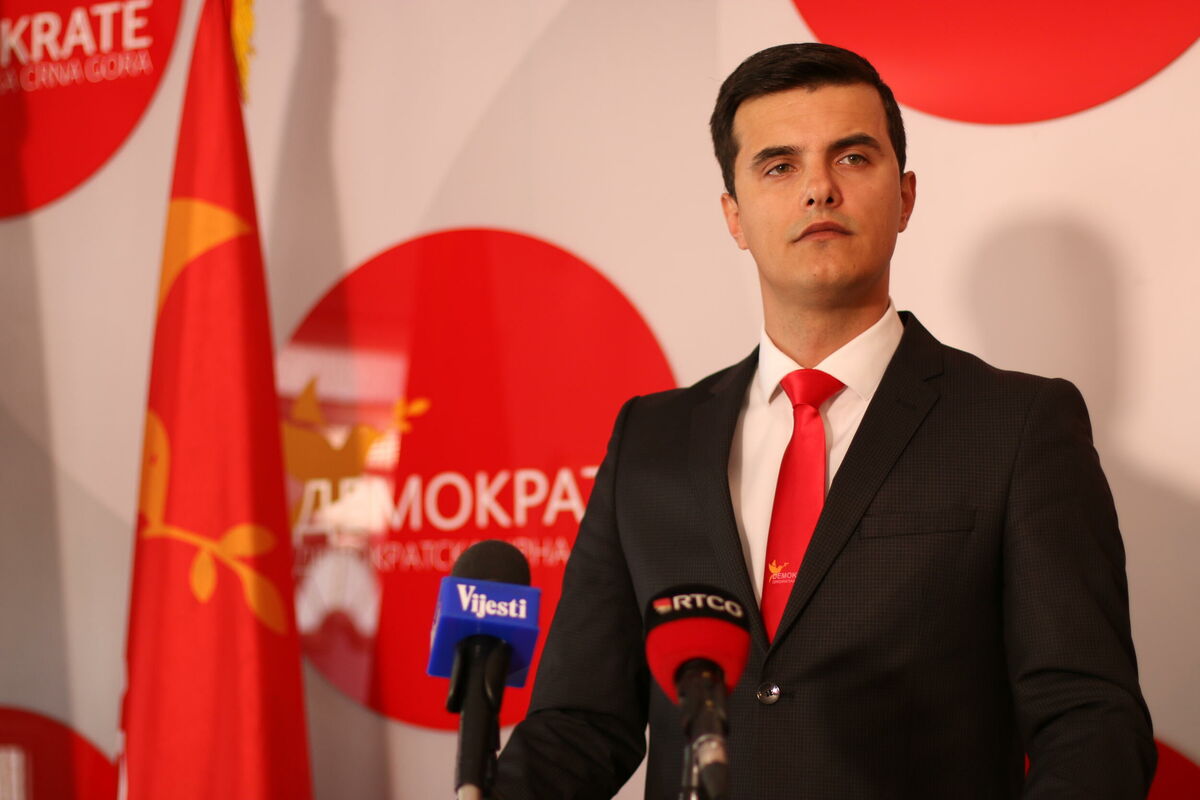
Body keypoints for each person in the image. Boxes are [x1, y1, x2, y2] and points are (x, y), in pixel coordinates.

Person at [492, 43, 1155, 799]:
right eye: (779, 166)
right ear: (734, 217)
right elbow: (580, 724)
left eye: (852, 158)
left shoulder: (1017, 426)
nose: (819, 190)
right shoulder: (652, 439)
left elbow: (1089, 722)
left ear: (905, 197)